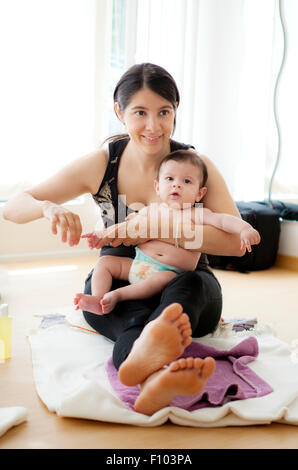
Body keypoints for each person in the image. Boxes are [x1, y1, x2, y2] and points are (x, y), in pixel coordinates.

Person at [3, 63, 247, 416]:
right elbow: (13, 207)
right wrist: (46, 209)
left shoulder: (194, 166)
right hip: (121, 282)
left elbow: (233, 243)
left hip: (187, 284)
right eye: (140, 113)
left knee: (182, 297)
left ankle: (152, 359)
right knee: (127, 318)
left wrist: (155, 229)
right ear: (120, 112)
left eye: (164, 112)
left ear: (176, 111)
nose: (153, 126)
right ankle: (153, 378)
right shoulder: (102, 164)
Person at [74, 150, 260, 316]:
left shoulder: (198, 214)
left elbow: (223, 220)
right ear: (157, 187)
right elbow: (125, 228)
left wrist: (244, 228)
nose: (176, 185)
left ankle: (116, 296)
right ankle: (98, 298)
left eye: (186, 181)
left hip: (168, 273)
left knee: (165, 279)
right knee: (105, 263)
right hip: (137, 265)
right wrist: (102, 234)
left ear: (199, 193)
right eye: (170, 179)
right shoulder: (150, 210)